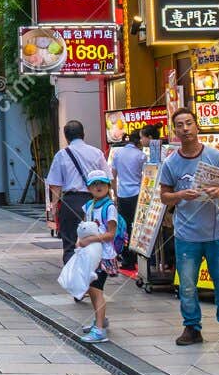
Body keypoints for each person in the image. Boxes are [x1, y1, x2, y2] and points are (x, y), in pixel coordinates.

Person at [158, 107, 219, 346]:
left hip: (216, 232)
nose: (185, 128)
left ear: (197, 126)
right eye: (180, 125)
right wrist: (179, 195)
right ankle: (191, 328)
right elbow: (164, 196)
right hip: (186, 234)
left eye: (189, 123)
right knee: (187, 286)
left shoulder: (214, 156)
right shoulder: (171, 163)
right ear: (174, 130)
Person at [45, 119, 110, 264]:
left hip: (70, 202)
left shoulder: (61, 155)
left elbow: (55, 185)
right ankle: (92, 276)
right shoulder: (97, 153)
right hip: (94, 201)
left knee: (69, 244)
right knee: (94, 241)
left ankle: (73, 277)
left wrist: (54, 207)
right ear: (83, 134)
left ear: (66, 137)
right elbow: (108, 178)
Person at [74, 169, 121, 343]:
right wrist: (80, 241)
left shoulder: (109, 207)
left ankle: (99, 330)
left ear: (108, 186)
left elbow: (111, 234)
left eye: (102, 183)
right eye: (94, 184)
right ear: (88, 188)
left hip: (104, 256)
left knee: (96, 290)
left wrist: (90, 240)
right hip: (92, 254)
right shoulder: (89, 206)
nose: (98, 186)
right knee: (93, 290)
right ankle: (99, 320)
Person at [110, 130, 147, 273]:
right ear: (138, 141)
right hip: (137, 194)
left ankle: (126, 258)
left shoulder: (118, 154)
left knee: (124, 227)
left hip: (122, 194)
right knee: (137, 226)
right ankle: (138, 256)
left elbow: (113, 176)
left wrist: (115, 193)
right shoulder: (141, 156)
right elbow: (146, 176)